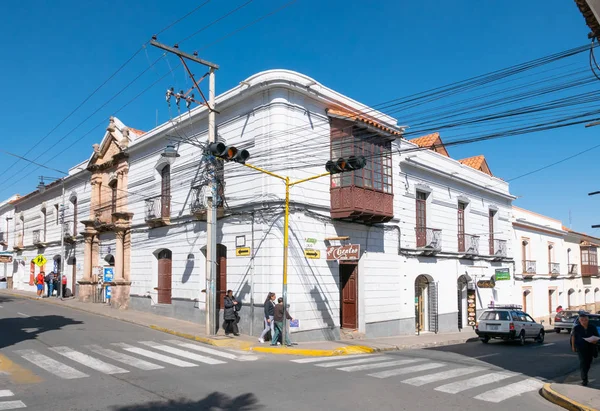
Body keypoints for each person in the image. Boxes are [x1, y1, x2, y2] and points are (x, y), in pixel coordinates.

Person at [571, 312, 599, 386]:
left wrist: (595, 341)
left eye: (585, 320)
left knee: (588, 363)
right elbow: (573, 337)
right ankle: (584, 379)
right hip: (581, 347)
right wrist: (573, 347)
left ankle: (585, 373)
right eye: (582, 320)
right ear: (580, 321)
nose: (584, 321)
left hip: (590, 347)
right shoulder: (577, 328)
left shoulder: (592, 327)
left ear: (588, 320)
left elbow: (596, 336)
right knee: (583, 362)